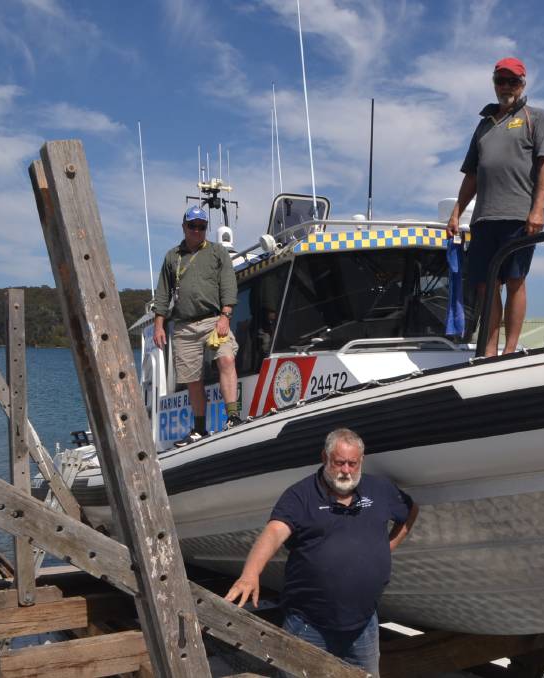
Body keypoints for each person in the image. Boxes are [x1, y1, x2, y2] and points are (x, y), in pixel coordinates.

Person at [225, 428, 419, 675]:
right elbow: (274, 532)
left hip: (363, 625)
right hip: (308, 626)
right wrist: (250, 574)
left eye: (353, 463)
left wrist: (387, 546)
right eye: (339, 463)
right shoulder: (300, 495)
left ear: (362, 461)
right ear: (324, 458)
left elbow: (410, 511)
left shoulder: (380, 490)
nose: (346, 471)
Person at [446, 56, 544, 356]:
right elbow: (472, 174)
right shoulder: (483, 126)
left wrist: (539, 209)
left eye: (513, 81)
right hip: (484, 218)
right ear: (494, 83)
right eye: (501, 80)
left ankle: (509, 350)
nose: (506, 86)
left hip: (519, 216)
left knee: (515, 280)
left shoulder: (537, 117)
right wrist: (457, 210)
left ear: (522, 84)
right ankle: (489, 349)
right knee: (485, 284)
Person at [152, 204, 241, 447]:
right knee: (192, 378)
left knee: (226, 359)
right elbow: (163, 294)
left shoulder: (218, 252)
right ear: (184, 227)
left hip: (214, 320)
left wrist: (225, 315)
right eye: (192, 226)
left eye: (202, 227)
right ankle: (199, 428)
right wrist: (159, 324)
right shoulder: (172, 256)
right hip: (183, 327)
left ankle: (233, 416)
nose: (197, 231)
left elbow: (228, 286)